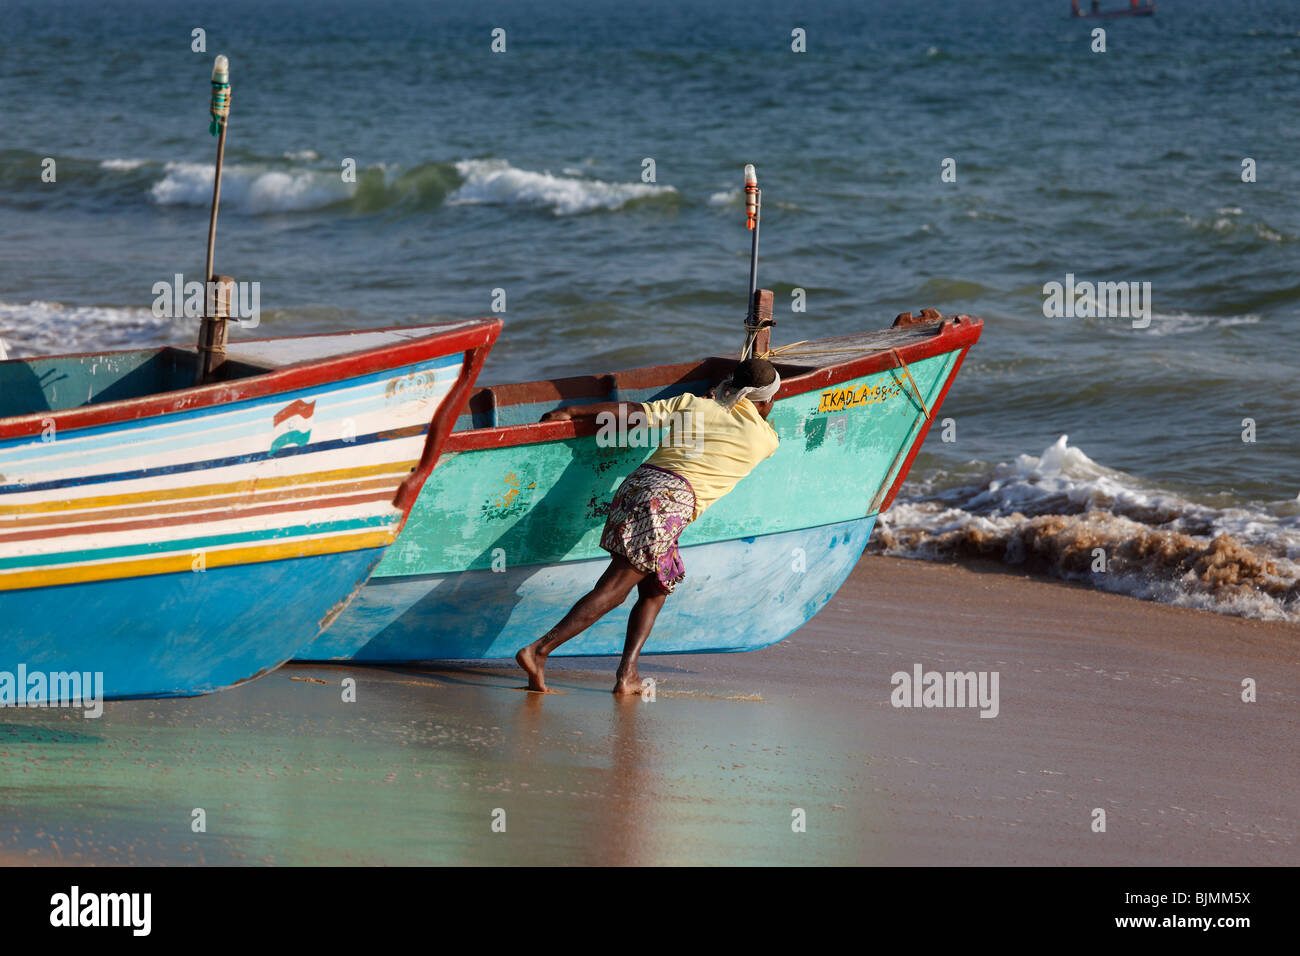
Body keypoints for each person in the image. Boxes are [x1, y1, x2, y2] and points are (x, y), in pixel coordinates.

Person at [515, 357, 781, 694]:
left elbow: (633, 412)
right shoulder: (766, 440)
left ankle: (628, 675)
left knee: (657, 586)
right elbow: (743, 422)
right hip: (668, 506)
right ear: (768, 401)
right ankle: (539, 650)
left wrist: (573, 412)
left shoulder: (692, 406)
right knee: (615, 588)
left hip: (638, 486)